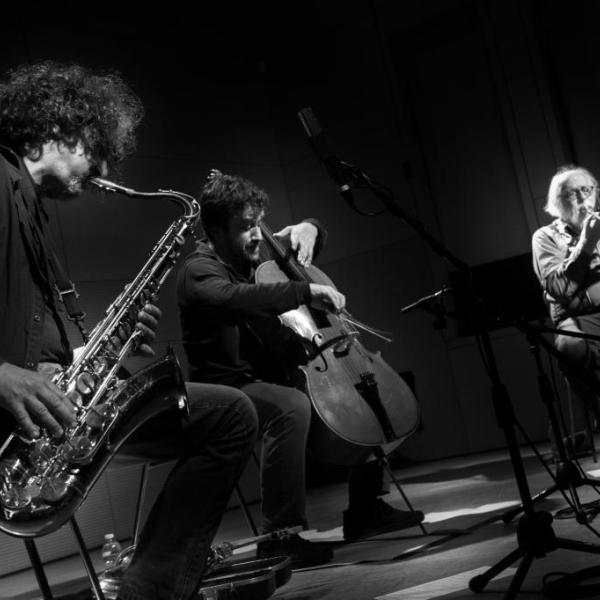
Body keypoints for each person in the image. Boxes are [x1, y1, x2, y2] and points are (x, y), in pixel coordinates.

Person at [0, 62, 258, 600]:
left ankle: (147, 591)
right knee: (230, 415)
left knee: (230, 413)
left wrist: (103, 348)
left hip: (53, 403)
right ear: (59, 127)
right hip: (13, 415)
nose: (102, 169)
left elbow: (31, 328)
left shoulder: (31, 208)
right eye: (98, 150)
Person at [176, 170, 424, 568]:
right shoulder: (199, 270)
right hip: (229, 389)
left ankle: (365, 509)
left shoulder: (254, 253)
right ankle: (280, 536)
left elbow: (302, 246)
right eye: (245, 227)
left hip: (280, 369)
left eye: (259, 224)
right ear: (215, 231)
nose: (258, 236)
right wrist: (305, 291)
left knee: (363, 388)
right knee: (290, 404)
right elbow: (235, 298)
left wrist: (312, 227)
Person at [532, 165, 600, 434]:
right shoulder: (545, 237)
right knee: (572, 346)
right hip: (576, 319)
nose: (584, 198)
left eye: (587, 190)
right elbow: (559, 289)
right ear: (558, 202)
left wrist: (580, 286)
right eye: (574, 193)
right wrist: (586, 245)